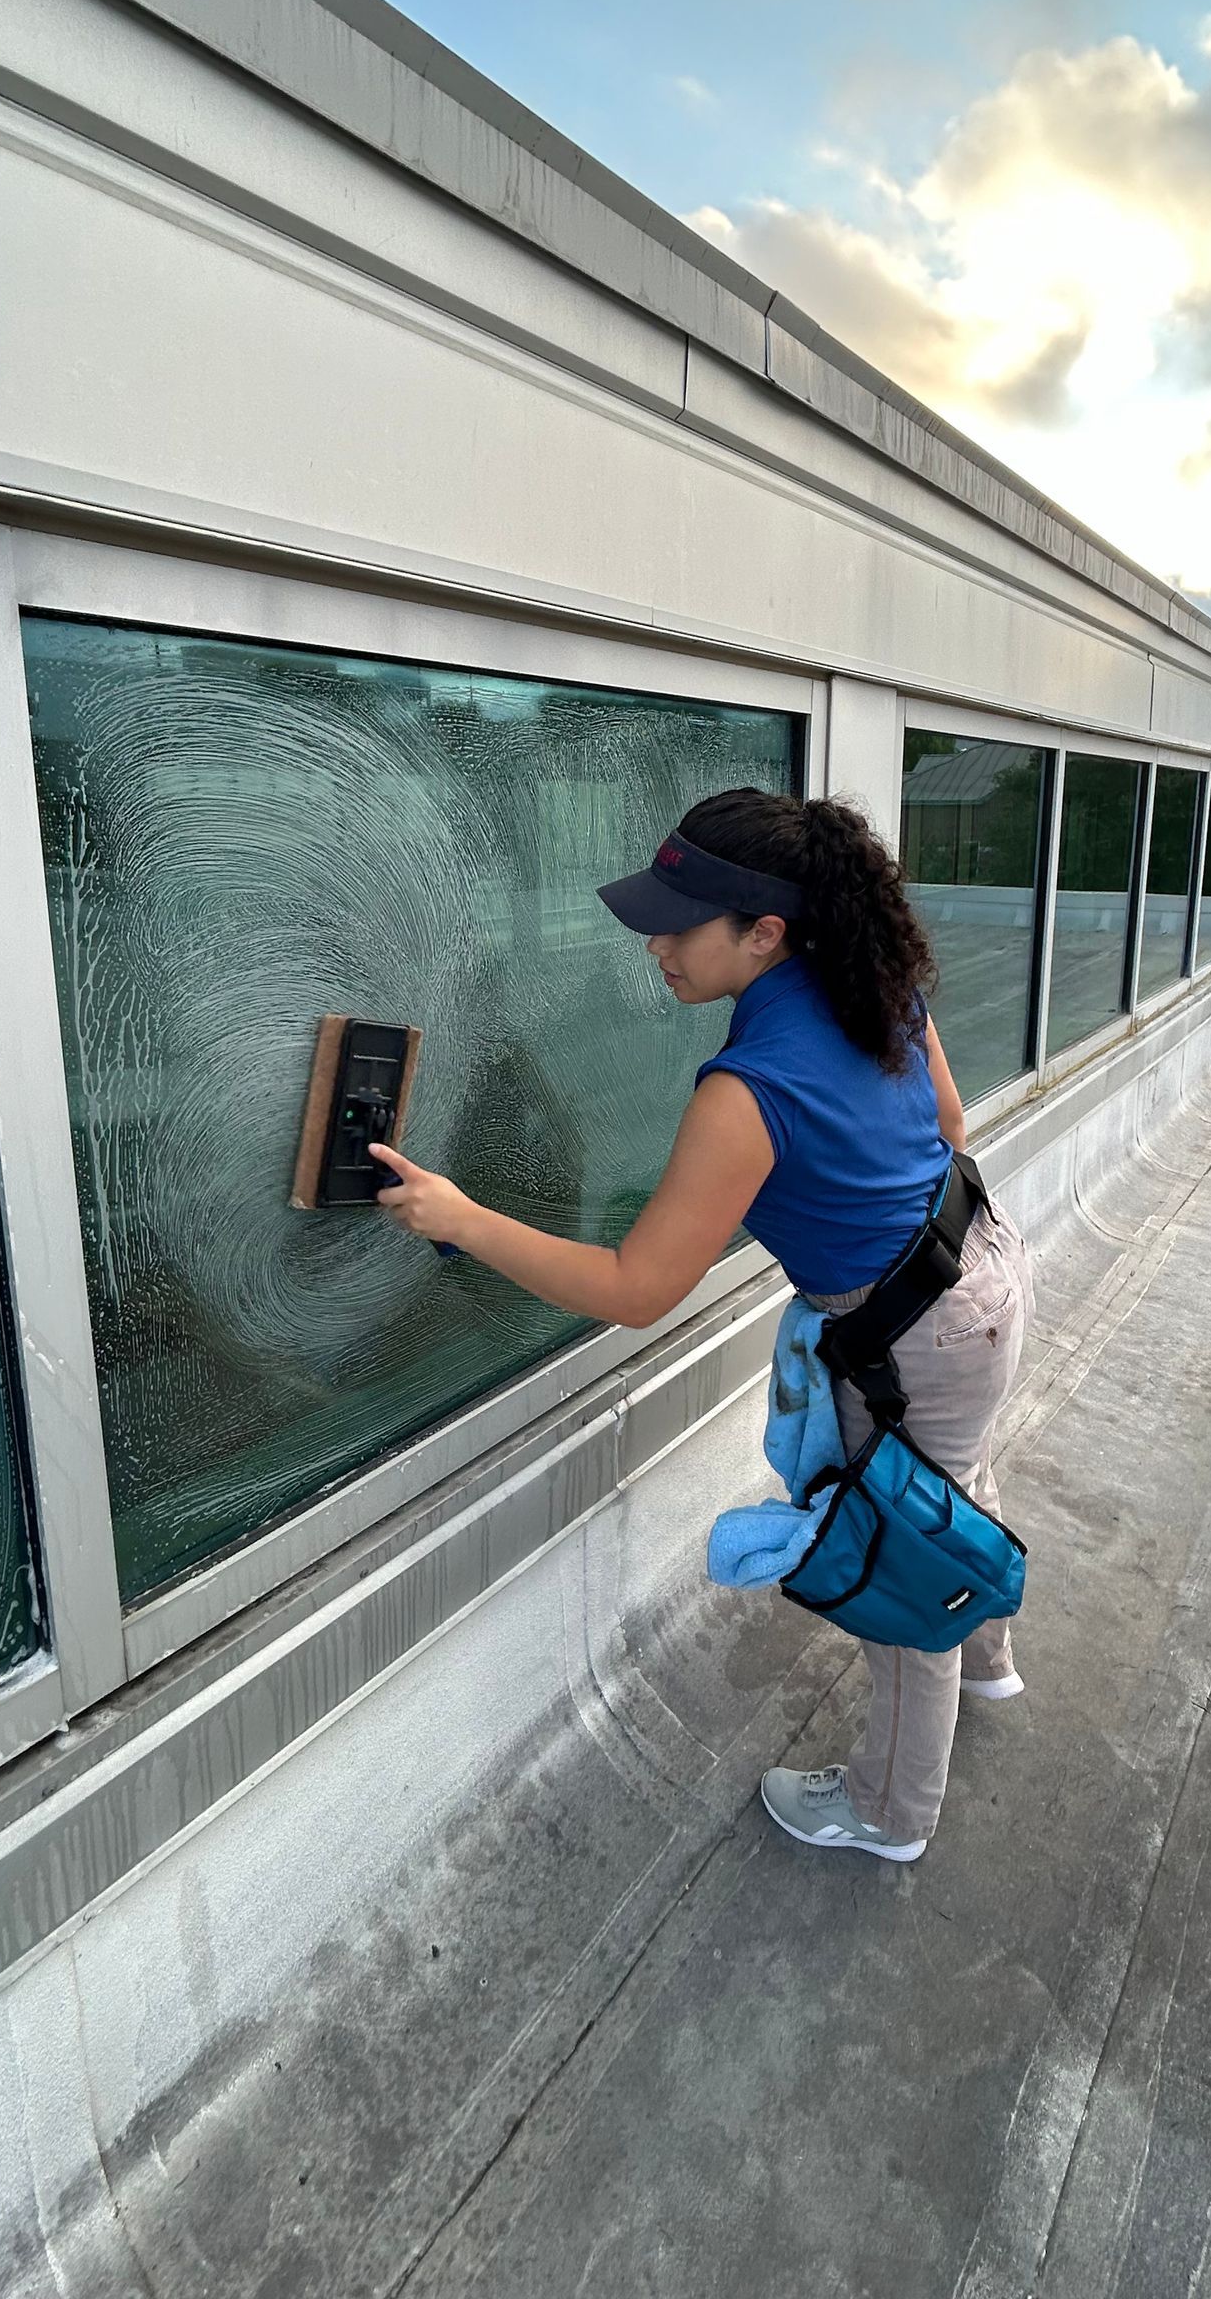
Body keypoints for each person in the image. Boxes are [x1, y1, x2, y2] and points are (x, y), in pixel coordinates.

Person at [370, 788, 1032, 1864]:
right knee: (956, 1485)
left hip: (918, 1334)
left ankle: (890, 1812)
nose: (654, 946)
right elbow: (949, 1125)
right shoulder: (875, 982)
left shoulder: (748, 1086)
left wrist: (461, 1217)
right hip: (983, 1266)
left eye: (680, 924)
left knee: (906, 1566)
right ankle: (993, 1652)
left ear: (765, 932)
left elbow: (637, 1288)